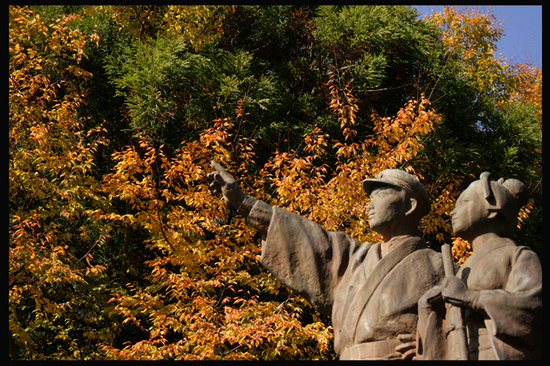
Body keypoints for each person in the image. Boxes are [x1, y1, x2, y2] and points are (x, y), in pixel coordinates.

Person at [208, 161, 445, 360]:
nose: (369, 205)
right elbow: (306, 238)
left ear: (410, 205)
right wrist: (242, 201)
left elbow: (469, 328)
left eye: (381, 194)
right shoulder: (355, 259)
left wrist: (434, 347)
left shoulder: (439, 268)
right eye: (370, 197)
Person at [416, 172, 542, 360]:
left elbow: (532, 305)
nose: (452, 212)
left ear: (492, 208)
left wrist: (472, 298)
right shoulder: (462, 270)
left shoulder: (517, 255)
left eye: (464, 203)